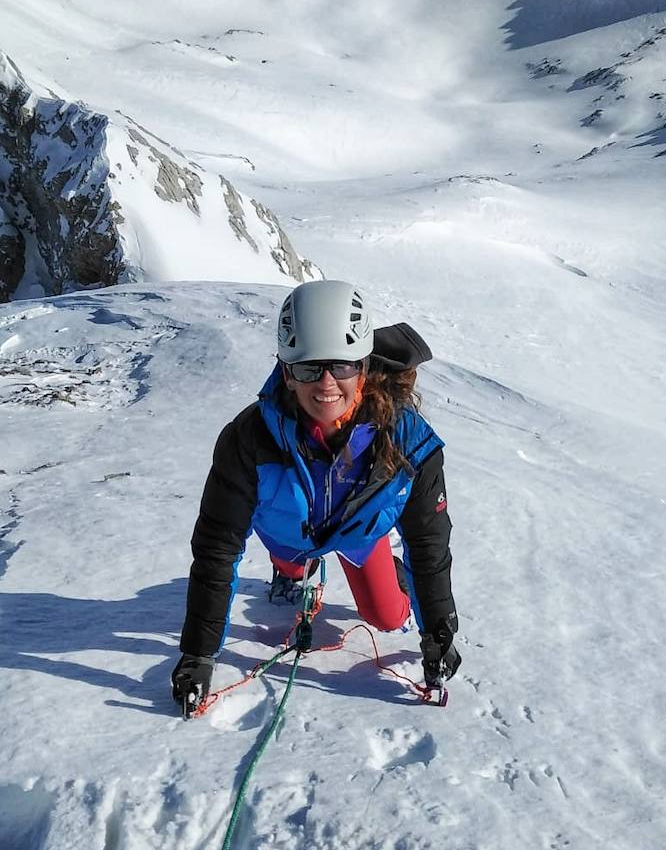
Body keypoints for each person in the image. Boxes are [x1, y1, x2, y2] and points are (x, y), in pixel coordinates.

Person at [171, 279, 461, 716]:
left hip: (359, 534)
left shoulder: (407, 442)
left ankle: (382, 575)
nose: (326, 383)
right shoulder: (248, 441)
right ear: (286, 372)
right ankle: (293, 568)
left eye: (341, 366)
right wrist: (198, 654)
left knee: (387, 617)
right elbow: (218, 547)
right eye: (308, 368)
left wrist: (437, 636)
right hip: (288, 534)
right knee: (293, 564)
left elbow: (428, 544)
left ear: (363, 366)